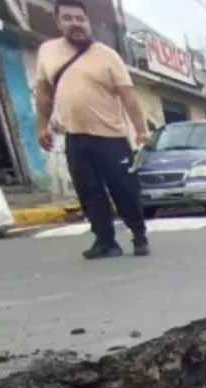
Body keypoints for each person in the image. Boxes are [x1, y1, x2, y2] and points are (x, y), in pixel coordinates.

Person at [35, 0, 151, 260]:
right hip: (74, 136)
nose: (75, 24)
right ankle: (105, 241)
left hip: (112, 137)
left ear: (87, 22)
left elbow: (129, 97)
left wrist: (141, 130)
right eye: (68, 18)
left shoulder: (108, 55)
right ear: (58, 22)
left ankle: (139, 235)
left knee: (125, 189)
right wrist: (42, 126)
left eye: (79, 18)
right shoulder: (48, 52)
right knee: (89, 192)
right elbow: (44, 93)